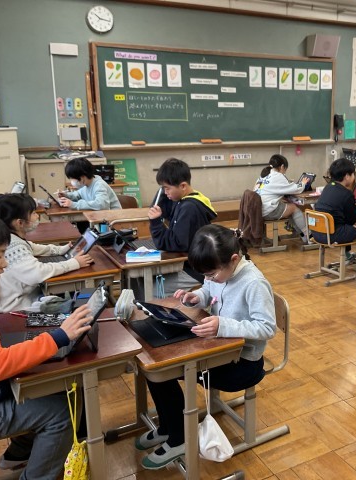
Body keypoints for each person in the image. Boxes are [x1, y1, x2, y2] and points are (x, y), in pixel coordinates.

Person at [0, 205, 94, 479]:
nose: (4, 264)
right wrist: (58, 336)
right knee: (61, 412)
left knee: (48, 387)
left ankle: (19, 451)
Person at [135, 225, 276, 469]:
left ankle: (179, 438)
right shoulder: (221, 271)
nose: (208, 279)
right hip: (220, 350)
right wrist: (197, 297)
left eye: (211, 274)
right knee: (156, 364)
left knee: (164, 370)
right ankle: (169, 427)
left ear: (234, 259)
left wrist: (223, 325)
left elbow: (267, 328)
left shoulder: (254, 283)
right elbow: (210, 290)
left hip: (242, 365)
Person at [0, 194, 92, 313]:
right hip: (21, 307)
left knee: (71, 294)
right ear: (20, 223)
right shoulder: (14, 247)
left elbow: (37, 248)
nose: (37, 216)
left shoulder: (11, 238)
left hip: (30, 297)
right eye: (33, 213)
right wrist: (74, 263)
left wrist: (63, 249)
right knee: (86, 296)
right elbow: (38, 273)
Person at [147, 158, 217, 295]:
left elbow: (175, 244)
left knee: (152, 290)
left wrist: (156, 223)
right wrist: (163, 192)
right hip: (185, 263)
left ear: (183, 186)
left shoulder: (189, 208)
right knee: (142, 281)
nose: (165, 192)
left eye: (167, 188)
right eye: (163, 188)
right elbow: (165, 209)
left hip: (194, 269)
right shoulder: (182, 201)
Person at [313, 158, 356, 260]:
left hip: (318, 232)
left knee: (345, 225)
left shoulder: (328, 187)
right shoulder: (347, 194)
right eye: (353, 174)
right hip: (333, 235)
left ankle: (348, 255)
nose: (354, 177)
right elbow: (351, 220)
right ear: (347, 176)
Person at [254, 154, 309, 244]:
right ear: (282, 166)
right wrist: (303, 183)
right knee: (293, 208)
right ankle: (308, 236)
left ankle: (301, 234)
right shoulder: (278, 176)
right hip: (268, 210)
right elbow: (296, 189)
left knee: (288, 207)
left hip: (258, 209)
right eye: (285, 169)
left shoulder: (264, 174)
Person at [57, 158, 122, 210]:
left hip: (113, 219)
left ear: (82, 177)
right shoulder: (85, 185)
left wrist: (74, 205)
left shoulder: (99, 185)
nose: (71, 181)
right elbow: (78, 194)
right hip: (100, 217)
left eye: (72, 178)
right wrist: (66, 195)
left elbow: (102, 205)